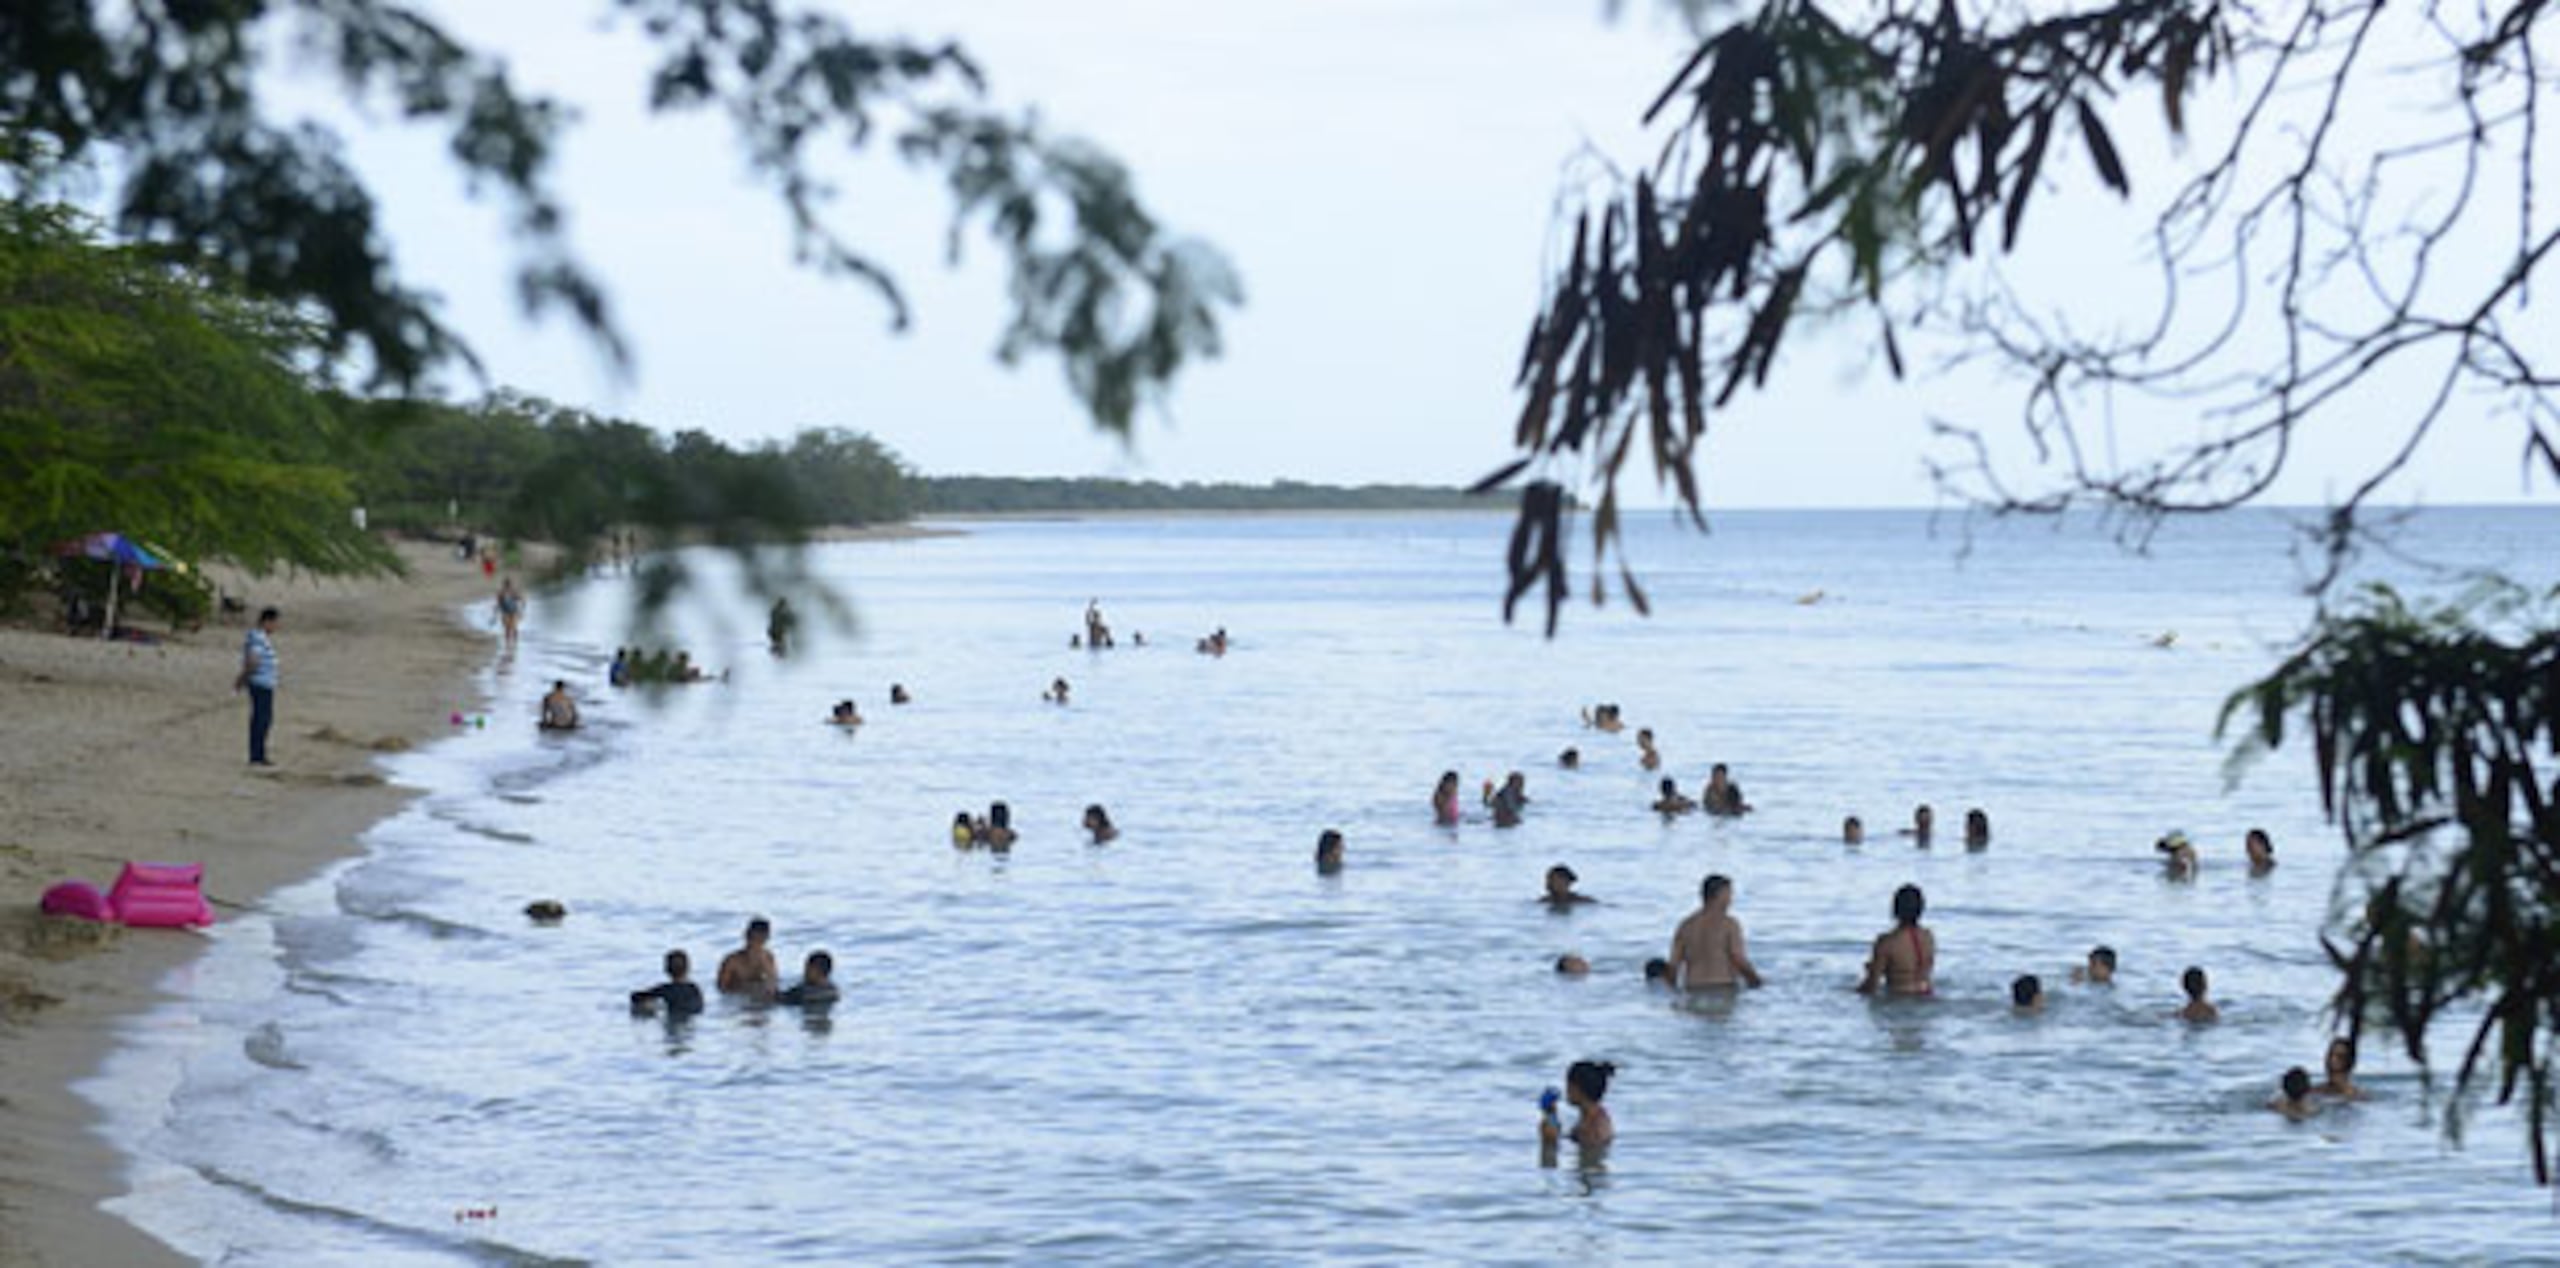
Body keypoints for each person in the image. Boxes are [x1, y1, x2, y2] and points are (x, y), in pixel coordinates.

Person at [1668, 874, 1764, 990]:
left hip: (1693, 988)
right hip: (1723, 987)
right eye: (1729, 894)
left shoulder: (1685, 926)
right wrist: (1756, 981)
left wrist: (1673, 991)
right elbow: (1737, 957)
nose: (1731, 900)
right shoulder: (1729, 924)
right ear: (1720, 895)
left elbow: (1673, 966)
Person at [1856, 884, 1935, 996]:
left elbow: (1871, 986)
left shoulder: (1886, 942)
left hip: (1899, 1000)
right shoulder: (1928, 937)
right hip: (1926, 996)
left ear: (1895, 909)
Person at [235, 605, 280, 766]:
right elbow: (253, 660)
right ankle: (257, 755)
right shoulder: (257, 637)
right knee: (261, 719)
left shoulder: (261, 638)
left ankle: (259, 753)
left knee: (264, 719)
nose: (276, 627)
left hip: (266, 683)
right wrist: (242, 678)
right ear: (267, 622)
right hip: (260, 683)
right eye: (275, 623)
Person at [629, 949, 704, 1017]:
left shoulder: (665, 990)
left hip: (673, 1017)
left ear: (666, 969)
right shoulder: (695, 989)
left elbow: (636, 996)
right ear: (688, 968)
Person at [716, 919, 779, 998]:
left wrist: (765, 965)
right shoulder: (732, 961)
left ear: (766, 939)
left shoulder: (768, 958)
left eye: (760, 939)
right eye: (753, 938)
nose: (755, 943)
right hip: (738, 997)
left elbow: (773, 982)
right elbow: (721, 988)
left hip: (758, 997)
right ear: (746, 936)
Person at [773, 950, 838, 1007]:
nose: (804, 973)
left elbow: (779, 999)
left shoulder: (801, 992)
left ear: (818, 971)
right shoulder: (833, 990)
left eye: (808, 969)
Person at [495, 577, 525, 646]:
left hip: (512, 612)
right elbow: (499, 603)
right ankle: (511, 643)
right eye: (508, 585)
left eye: (508, 585)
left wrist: (522, 603)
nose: (508, 586)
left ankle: (512, 643)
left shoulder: (511, 592)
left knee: (512, 628)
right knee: (509, 628)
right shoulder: (502, 593)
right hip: (508, 612)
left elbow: (520, 598)